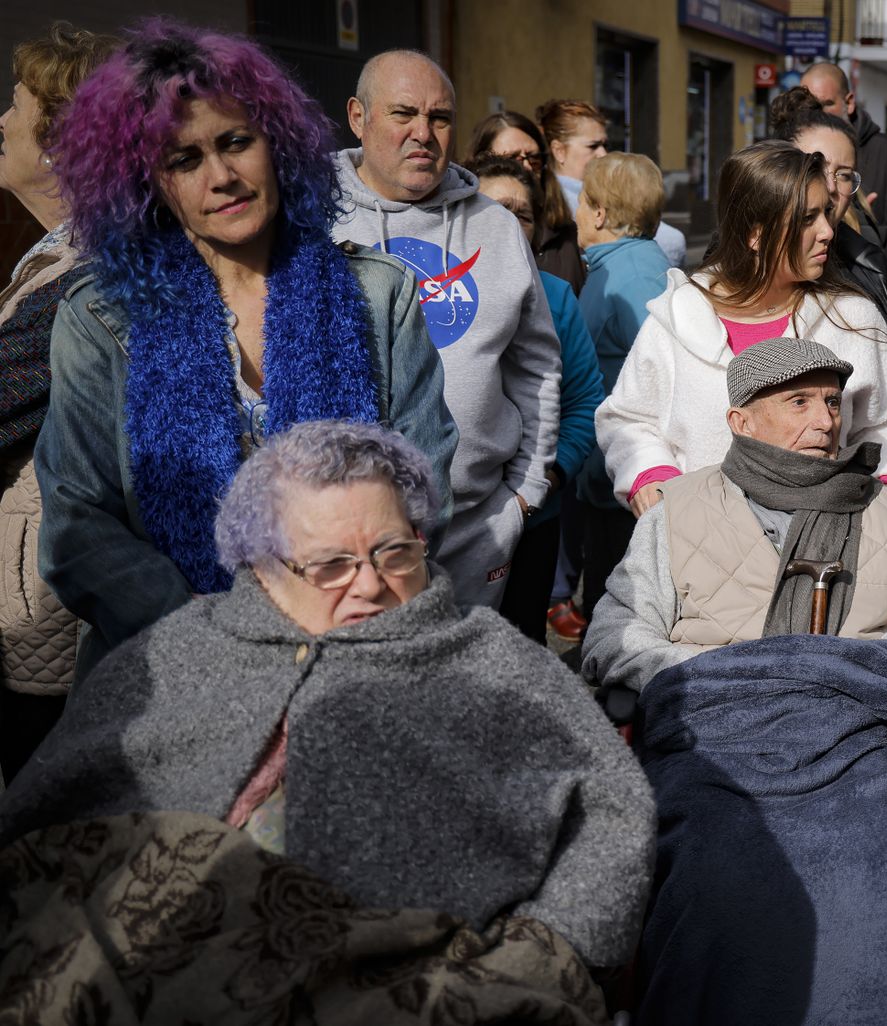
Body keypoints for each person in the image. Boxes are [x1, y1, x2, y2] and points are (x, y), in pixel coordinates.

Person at [0, 420, 654, 974]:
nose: (370, 585)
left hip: (421, 984)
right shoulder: (173, 654)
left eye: (395, 551)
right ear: (259, 563)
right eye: (330, 565)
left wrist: (542, 953)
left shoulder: (495, 658)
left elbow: (613, 808)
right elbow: (45, 829)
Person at [36, 22, 456, 682]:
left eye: (237, 142)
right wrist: (216, 630)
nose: (223, 176)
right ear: (147, 183)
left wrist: (327, 605)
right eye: (184, 160)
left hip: (357, 661)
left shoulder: (380, 296)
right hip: (167, 673)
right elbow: (77, 526)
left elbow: (424, 491)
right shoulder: (99, 317)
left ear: (278, 144)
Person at [583, 337, 887, 693]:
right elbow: (614, 638)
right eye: (799, 402)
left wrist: (842, 676)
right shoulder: (677, 511)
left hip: (861, 724)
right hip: (708, 732)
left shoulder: (886, 511)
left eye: (832, 402)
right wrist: (743, 678)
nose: (825, 422)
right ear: (741, 422)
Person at [595, 140, 887, 528]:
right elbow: (629, 418)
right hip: (698, 546)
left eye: (826, 214)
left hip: (824, 555)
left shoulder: (853, 318)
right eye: (807, 218)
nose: (827, 231)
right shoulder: (679, 316)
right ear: (754, 233)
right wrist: (649, 476)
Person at [336, 49, 561, 609]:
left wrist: (525, 494)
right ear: (358, 117)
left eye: (439, 118)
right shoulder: (312, 217)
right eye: (403, 114)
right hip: (344, 540)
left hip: (477, 530)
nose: (424, 134)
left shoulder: (497, 226)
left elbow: (537, 364)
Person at [0, 22, 118, 780]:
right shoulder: (56, 254)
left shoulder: (86, 273)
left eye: (13, 105)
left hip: (46, 610)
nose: (0, 121)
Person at [467, 155, 606, 642]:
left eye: (522, 214)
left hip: (531, 520)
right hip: (445, 522)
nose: (509, 224)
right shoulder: (431, 291)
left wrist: (541, 482)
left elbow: (586, 400)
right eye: (494, 208)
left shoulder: (556, 297)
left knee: (519, 653)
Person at [570, 152, 672, 631]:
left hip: (625, 478)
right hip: (615, 473)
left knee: (621, 612)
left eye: (582, 200)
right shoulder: (635, 262)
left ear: (600, 213)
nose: (575, 213)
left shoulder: (628, 276)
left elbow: (657, 375)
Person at [801, 62, 887, 336]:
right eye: (808, 106)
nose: (832, 186)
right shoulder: (792, 152)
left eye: (844, 174)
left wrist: (860, 230)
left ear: (849, 102)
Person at [768, 85, 887, 344]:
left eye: (844, 175)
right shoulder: (733, 263)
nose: (830, 187)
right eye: (815, 166)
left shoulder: (868, 266)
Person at [537, 98, 687, 269]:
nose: (602, 153)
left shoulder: (602, 188)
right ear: (559, 151)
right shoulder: (555, 201)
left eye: (604, 145)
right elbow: (671, 242)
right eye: (592, 146)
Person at [468, 110, 585, 293]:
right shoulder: (459, 234)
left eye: (534, 158)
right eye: (513, 159)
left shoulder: (567, 233)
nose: (527, 167)